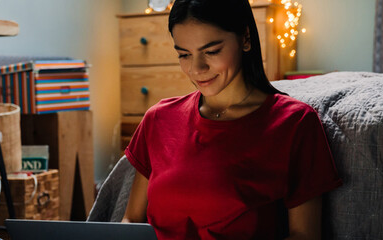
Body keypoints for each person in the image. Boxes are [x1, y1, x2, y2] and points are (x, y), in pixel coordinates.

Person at [120, 0, 342, 239]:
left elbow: (305, 235)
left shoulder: (295, 122)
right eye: (184, 54)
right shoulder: (158, 118)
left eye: (211, 51)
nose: (196, 69)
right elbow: (131, 220)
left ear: (245, 38)